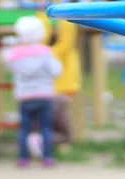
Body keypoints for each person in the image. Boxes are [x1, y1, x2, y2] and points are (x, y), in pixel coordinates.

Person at [4, 16, 62, 167]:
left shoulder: (15, 54)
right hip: (44, 95)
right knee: (45, 127)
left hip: (24, 96)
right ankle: (47, 157)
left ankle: (23, 158)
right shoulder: (45, 52)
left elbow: (8, 64)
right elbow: (56, 71)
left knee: (24, 128)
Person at [26, 12, 82, 158]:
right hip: (59, 93)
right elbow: (66, 42)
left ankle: (42, 144)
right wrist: (65, 18)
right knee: (64, 132)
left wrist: (43, 18)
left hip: (42, 93)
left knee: (47, 124)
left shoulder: (40, 52)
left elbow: (44, 38)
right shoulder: (56, 53)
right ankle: (40, 141)